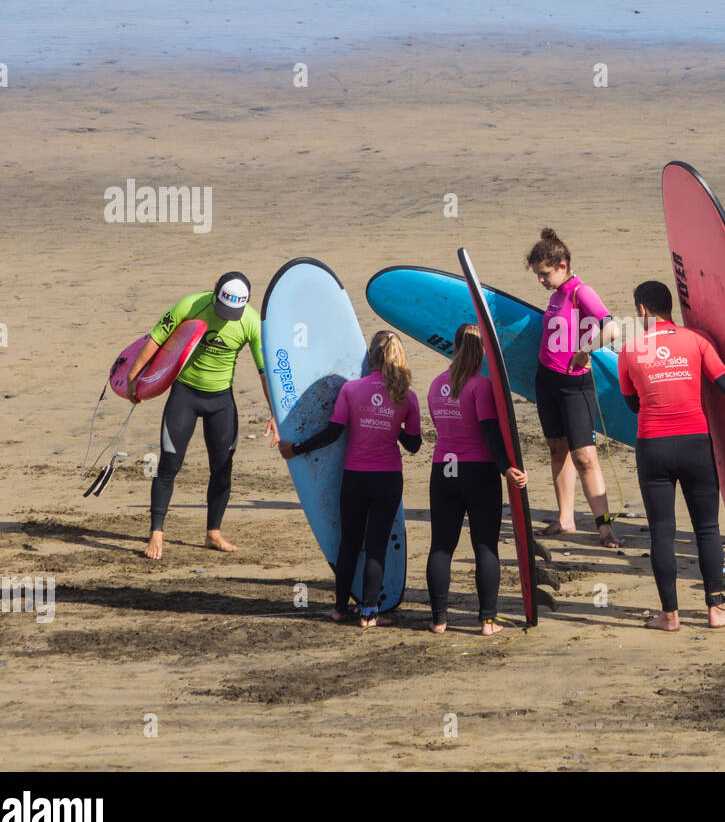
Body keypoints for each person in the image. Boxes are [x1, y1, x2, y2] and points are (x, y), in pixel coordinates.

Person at [617, 281, 725, 631]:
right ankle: (714, 609)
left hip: (653, 448)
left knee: (662, 532)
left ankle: (669, 616)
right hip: (696, 444)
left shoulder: (630, 350)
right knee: (707, 529)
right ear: (669, 308)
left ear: (643, 310)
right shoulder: (696, 341)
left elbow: (633, 404)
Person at [125, 272, 275, 560]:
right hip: (185, 395)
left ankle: (213, 533)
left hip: (221, 402)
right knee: (169, 462)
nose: (227, 316)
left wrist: (274, 412)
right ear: (214, 292)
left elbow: (264, 371)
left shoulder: (252, 322)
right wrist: (134, 375)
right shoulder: (191, 305)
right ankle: (156, 531)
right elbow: (157, 338)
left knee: (222, 467)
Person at [279, 331, 421, 627]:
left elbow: (332, 433)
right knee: (377, 544)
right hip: (388, 479)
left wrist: (297, 449)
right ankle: (369, 613)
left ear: (369, 357)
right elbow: (414, 445)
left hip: (355, 477)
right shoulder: (407, 396)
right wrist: (394, 428)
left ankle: (340, 608)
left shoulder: (352, 390)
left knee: (350, 543)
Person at [425, 324, 528, 636]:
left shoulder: (435, 384)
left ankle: (439, 620)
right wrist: (505, 468)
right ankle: (487, 620)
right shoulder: (481, 386)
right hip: (478, 471)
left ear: (453, 348)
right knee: (485, 545)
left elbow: (441, 428)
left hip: (443, 470)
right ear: (484, 352)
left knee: (442, 546)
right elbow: (489, 431)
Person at [525, 228, 622, 548]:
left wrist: (585, 351)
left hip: (574, 384)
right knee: (557, 449)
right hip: (547, 379)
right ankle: (565, 519)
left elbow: (613, 328)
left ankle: (605, 527)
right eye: (538, 275)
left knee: (585, 457)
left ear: (562, 265)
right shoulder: (556, 295)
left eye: (544, 274)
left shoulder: (582, 292)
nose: (541, 280)